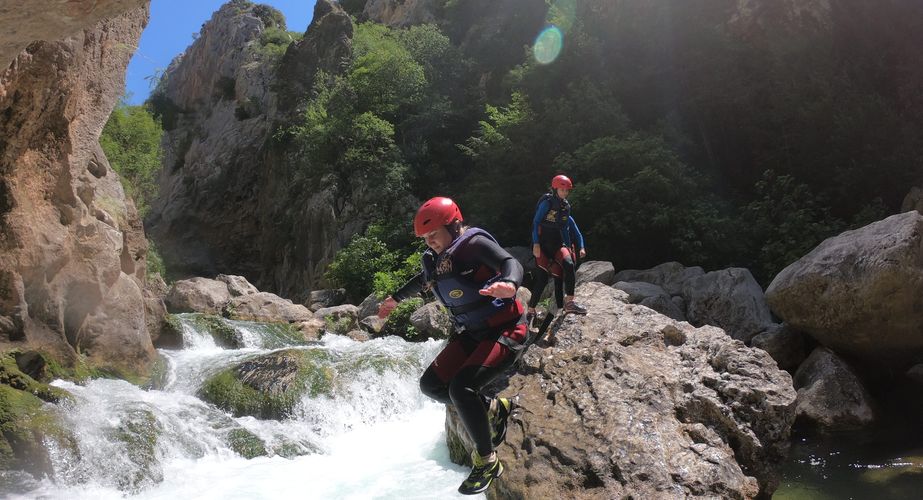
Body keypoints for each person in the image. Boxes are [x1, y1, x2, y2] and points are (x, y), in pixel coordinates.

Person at [377, 196, 525, 495]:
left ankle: (487, 460)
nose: (429, 242)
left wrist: (510, 283)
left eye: (433, 234)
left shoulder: (473, 245)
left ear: (453, 224)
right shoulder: (434, 259)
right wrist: (395, 298)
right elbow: (424, 280)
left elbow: (510, 261)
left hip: (506, 329)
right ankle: (495, 407)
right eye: (425, 238)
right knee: (431, 385)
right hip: (472, 333)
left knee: (461, 388)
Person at [527, 174, 588, 325]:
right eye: (562, 190)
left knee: (568, 263)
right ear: (555, 189)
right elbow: (535, 223)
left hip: (557, 245)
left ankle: (569, 303)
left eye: (567, 191)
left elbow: (568, 229)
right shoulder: (547, 204)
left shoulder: (565, 207)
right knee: (541, 279)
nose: (565, 193)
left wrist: (575, 247)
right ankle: (531, 310)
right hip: (542, 245)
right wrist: (535, 244)